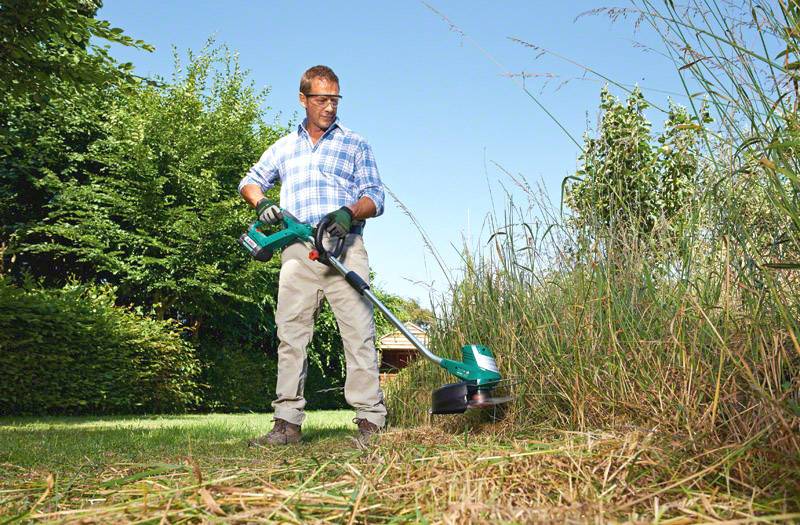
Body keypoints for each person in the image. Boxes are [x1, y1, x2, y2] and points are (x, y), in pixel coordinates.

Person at [238, 65, 387, 446]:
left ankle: (371, 422)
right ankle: (286, 424)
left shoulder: (355, 144)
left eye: (335, 99)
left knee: (359, 335)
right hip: (298, 251)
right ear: (303, 99)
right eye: (321, 99)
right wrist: (262, 203)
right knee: (291, 335)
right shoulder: (284, 147)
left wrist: (349, 212)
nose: (330, 107)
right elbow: (249, 182)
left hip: (345, 248)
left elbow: (375, 196)